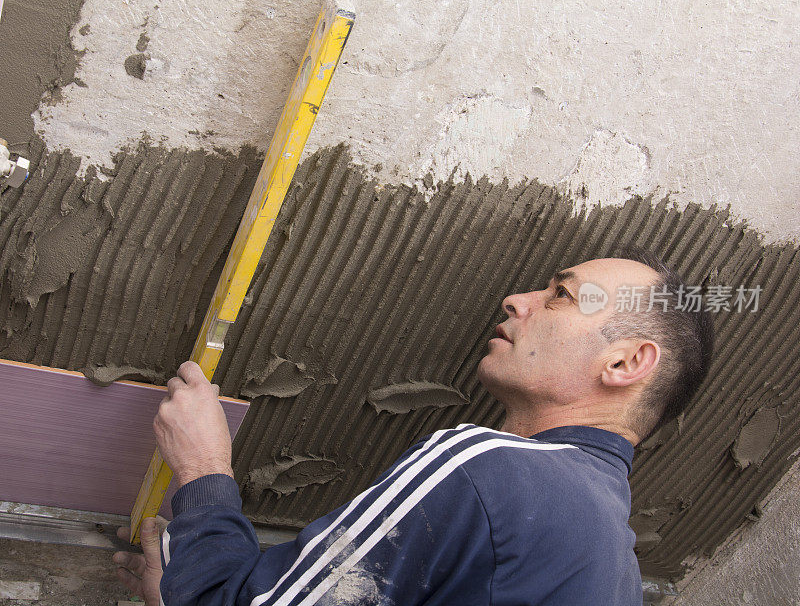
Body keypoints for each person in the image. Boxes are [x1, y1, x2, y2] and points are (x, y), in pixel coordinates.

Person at [112, 248, 714, 605]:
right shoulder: (614, 569)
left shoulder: (488, 470)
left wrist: (202, 468)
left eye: (561, 294)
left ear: (625, 363)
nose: (517, 299)